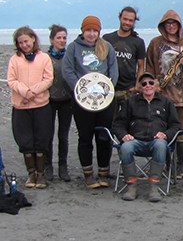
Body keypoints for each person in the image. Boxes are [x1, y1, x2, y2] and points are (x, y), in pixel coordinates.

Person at [62, 15, 119, 189]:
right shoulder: (73, 48)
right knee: (85, 137)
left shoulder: (106, 47)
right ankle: (88, 175)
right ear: (82, 31)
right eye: (88, 30)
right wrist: (81, 90)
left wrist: (106, 91)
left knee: (104, 136)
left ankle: (103, 172)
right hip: (82, 102)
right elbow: (67, 71)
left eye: (95, 30)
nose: (91, 34)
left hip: (104, 100)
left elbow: (113, 71)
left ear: (99, 31)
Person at [146, 9, 183, 179]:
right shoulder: (155, 43)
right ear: (163, 26)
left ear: (179, 25)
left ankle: (180, 167)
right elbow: (149, 67)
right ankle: (166, 165)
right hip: (162, 94)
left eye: (174, 23)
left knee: (180, 131)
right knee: (163, 130)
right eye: (168, 23)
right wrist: (151, 84)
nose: (171, 26)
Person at [112, 72, 181, 202]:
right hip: (135, 140)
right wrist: (123, 135)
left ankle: (154, 186)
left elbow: (176, 125)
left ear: (156, 84)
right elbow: (118, 124)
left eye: (151, 82)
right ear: (140, 87)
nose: (148, 85)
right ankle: (131, 185)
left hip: (156, 142)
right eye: (144, 84)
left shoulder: (166, 103)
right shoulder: (130, 102)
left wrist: (166, 134)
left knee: (161, 145)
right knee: (125, 147)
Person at [7, 26, 53, 189]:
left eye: (26, 41)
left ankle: (41, 175)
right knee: (25, 141)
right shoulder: (15, 59)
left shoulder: (44, 58)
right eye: (20, 43)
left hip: (41, 104)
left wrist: (33, 92)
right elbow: (11, 80)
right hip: (21, 106)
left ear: (33, 39)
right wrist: (25, 92)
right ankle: (31, 174)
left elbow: (48, 79)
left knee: (41, 139)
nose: (24, 45)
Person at [103, 6, 146, 116]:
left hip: (129, 89)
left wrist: (138, 85)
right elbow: (101, 61)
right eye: (125, 19)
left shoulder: (138, 42)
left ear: (134, 22)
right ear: (120, 18)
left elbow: (141, 66)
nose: (127, 22)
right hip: (109, 87)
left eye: (130, 20)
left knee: (127, 122)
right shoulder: (107, 38)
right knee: (108, 121)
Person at [45, 24, 73, 182]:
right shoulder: (45, 58)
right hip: (48, 101)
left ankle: (63, 166)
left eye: (64, 38)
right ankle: (48, 166)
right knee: (48, 135)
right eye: (59, 38)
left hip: (66, 101)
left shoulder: (69, 56)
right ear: (51, 39)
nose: (62, 40)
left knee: (64, 135)